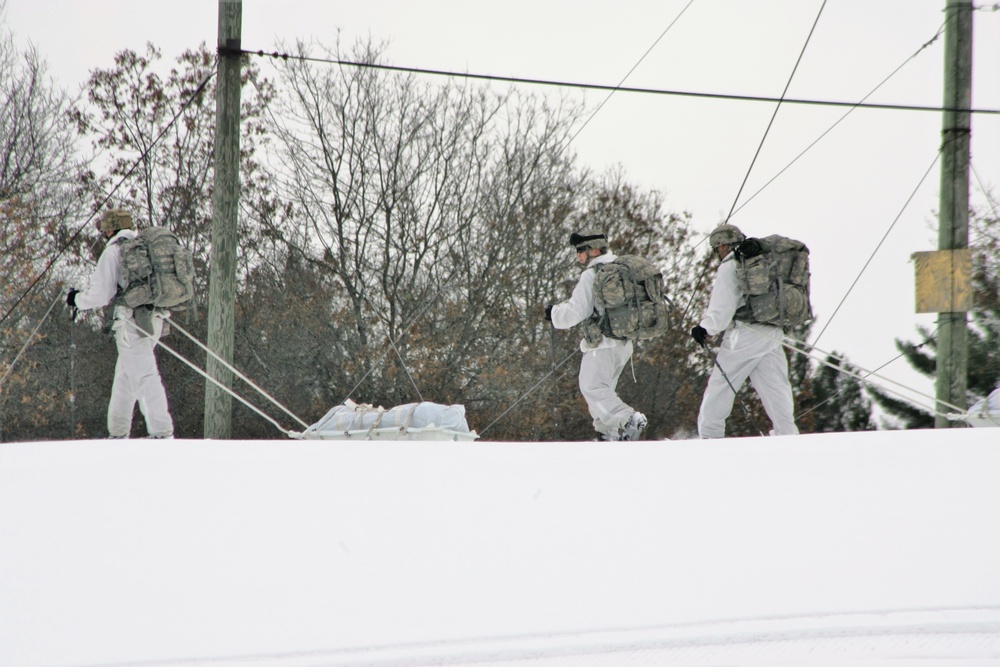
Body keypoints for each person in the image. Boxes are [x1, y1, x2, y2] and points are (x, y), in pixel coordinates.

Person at [67, 209, 175, 439]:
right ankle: (117, 432)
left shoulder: (114, 251)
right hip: (154, 319)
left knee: (145, 375)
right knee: (126, 376)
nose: (103, 232)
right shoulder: (143, 247)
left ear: (110, 229)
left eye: (105, 228)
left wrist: (76, 299)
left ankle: (162, 432)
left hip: (130, 322)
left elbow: (101, 294)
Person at [690, 223, 798, 438]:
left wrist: (705, 328)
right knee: (776, 389)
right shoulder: (764, 261)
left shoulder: (731, 264)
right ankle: (788, 435)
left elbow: (722, 308)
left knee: (720, 387)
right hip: (772, 333)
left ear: (722, 246)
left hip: (744, 335)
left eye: (716, 249)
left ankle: (710, 437)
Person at [546, 230, 647, 441]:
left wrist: (554, 313)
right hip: (623, 344)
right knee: (604, 389)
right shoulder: (621, 268)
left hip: (602, 344)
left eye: (581, 251)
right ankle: (606, 434)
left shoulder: (592, 274)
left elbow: (576, 311)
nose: (578, 257)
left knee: (591, 387)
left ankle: (628, 419)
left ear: (594, 250)